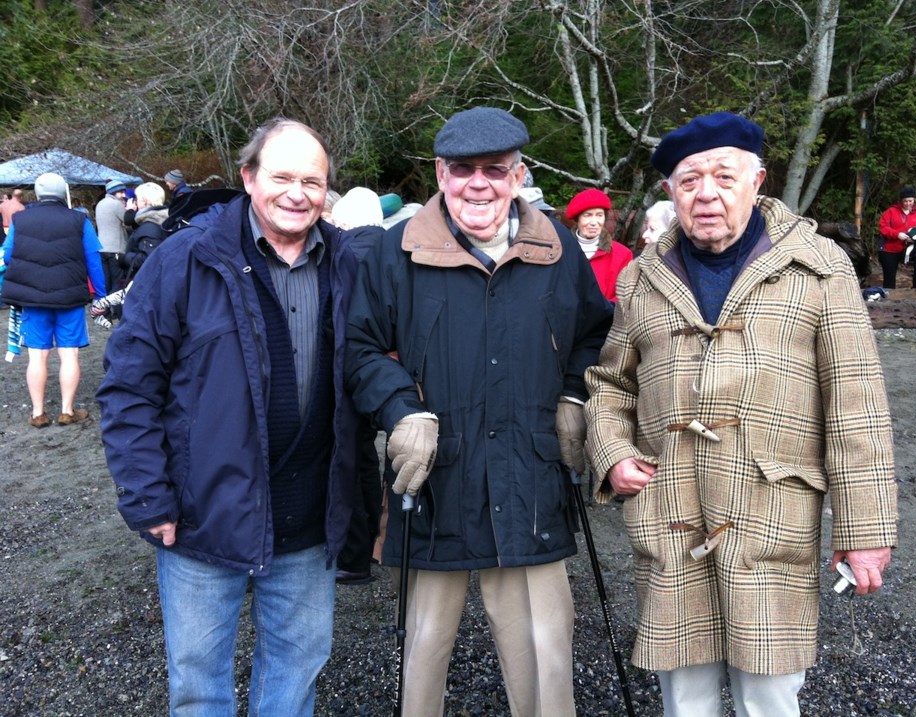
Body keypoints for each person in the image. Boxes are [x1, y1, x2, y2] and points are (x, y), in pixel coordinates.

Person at [584, 111, 898, 717]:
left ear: (758, 182)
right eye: (689, 180)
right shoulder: (639, 279)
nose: (706, 194)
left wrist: (864, 533)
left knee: (769, 699)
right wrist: (613, 453)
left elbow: (857, 406)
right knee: (687, 699)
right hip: (671, 513)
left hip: (771, 517)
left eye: (724, 177)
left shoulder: (821, 267)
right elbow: (610, 383)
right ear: (671, 193)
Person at [346, 106, 613, 716]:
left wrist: (575, 393)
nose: (478, 184)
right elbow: (359, 347)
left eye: (495, 170)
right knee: (423, 649)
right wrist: (399, 409)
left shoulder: (557, 247)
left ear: (517, 176)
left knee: (545, 653)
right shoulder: (397, 252)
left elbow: (595, 334)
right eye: (463, 169)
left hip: (529, 476)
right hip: (434, 479)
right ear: (441, 174)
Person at [97, 118, 361, 717]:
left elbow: (361, 387)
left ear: (327, 192)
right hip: (200, 517)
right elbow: (128, 387)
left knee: (294, 678)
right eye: (282, 176)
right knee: (198, 687)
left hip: (308, 520)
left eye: (313, 181)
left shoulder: (348, 263)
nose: (298, 193)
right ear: (248, 178)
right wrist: (148, 497)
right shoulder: (185, 260)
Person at [0, 172, 106, 427]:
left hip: (32, 298)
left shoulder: (20, 219)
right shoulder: (80, 220)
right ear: (63, 194)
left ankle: (38, 413)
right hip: (70, 297)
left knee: (37, 356)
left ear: (37, 193)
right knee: (69, 354)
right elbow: (94, 259)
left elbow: (8, 254)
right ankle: (67, 411)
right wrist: (101, 295)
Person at [328, 186, 385, 585]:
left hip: (342, 372)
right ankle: (373, 546)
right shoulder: (395, 250)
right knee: (367, 460)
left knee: (344, 460)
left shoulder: (338, 255)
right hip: (383, 372)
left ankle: (352, 555)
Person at [565, 188, 633, 302]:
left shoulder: (623, 255)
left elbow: (625, 297)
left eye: (599, 215)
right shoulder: (561, 250)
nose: (594, 222)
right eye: (587, 215)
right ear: (578, 219)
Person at [878, 186, 916, 290]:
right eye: (905, 201)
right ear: (900, 201)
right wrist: (897, 234)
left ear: (914, 200)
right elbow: (883, 227)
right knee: (889, 279)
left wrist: (915, 239)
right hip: (890, 248)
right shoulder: (891, 211)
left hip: (910, 247)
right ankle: (889, 293)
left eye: (910, 201)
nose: (908, 203)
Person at [94, 179, 129, 325]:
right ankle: (117, 310)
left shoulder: (100, 204)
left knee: (106, 282)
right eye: (121, 192)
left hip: (101, 247)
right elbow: (127, 220)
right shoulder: (116, 204)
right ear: (116, 192)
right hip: (116, 248)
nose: (123, 195)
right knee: (117, 282)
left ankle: (105, 311)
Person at [118, 181, 169, 283]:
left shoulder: (151, 225)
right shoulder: (159, 219)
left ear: (145, 201)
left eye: (137, 199)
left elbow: (149, 259)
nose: (135, 202)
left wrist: (124, 258)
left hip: (147, 282)